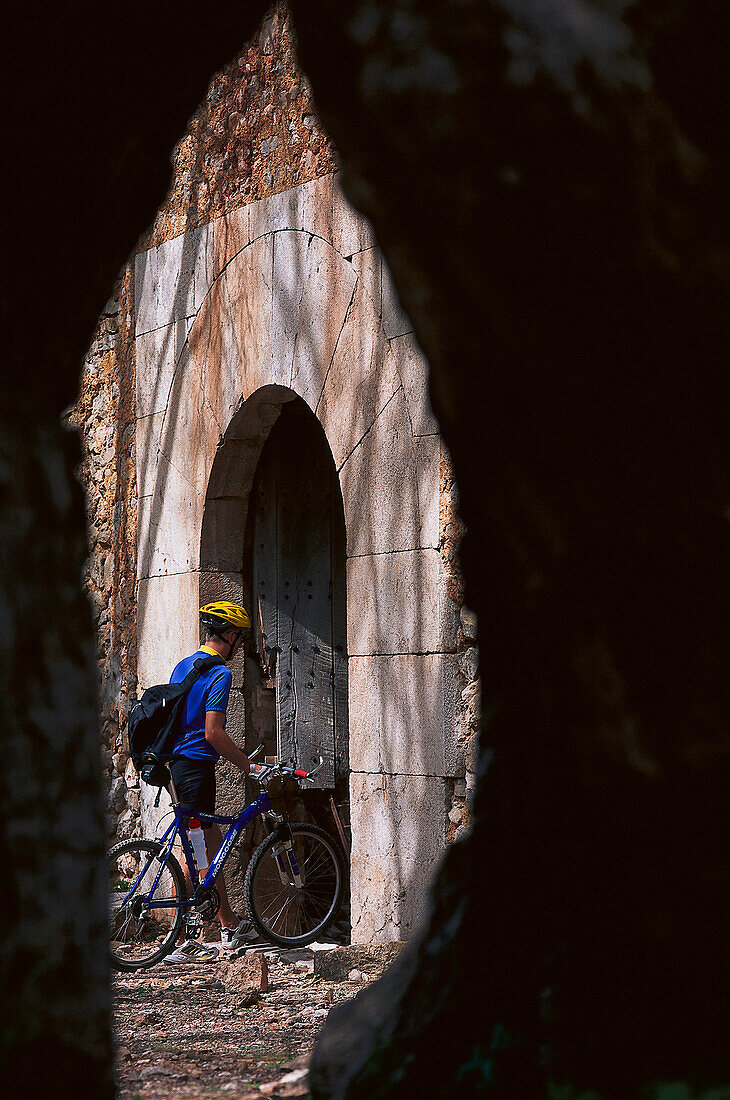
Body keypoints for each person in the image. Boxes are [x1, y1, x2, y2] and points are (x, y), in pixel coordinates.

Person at [163, 600, 262, 963]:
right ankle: (179, 937)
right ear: (231, 635)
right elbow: (213, 733)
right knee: (194, 849)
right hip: (195, 767)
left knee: (209, 843)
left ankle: (229, 924)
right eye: (241, 637)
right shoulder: (219, 673)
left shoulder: (183, 666)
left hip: (178, 764)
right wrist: (249, 766)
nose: (241, 645)